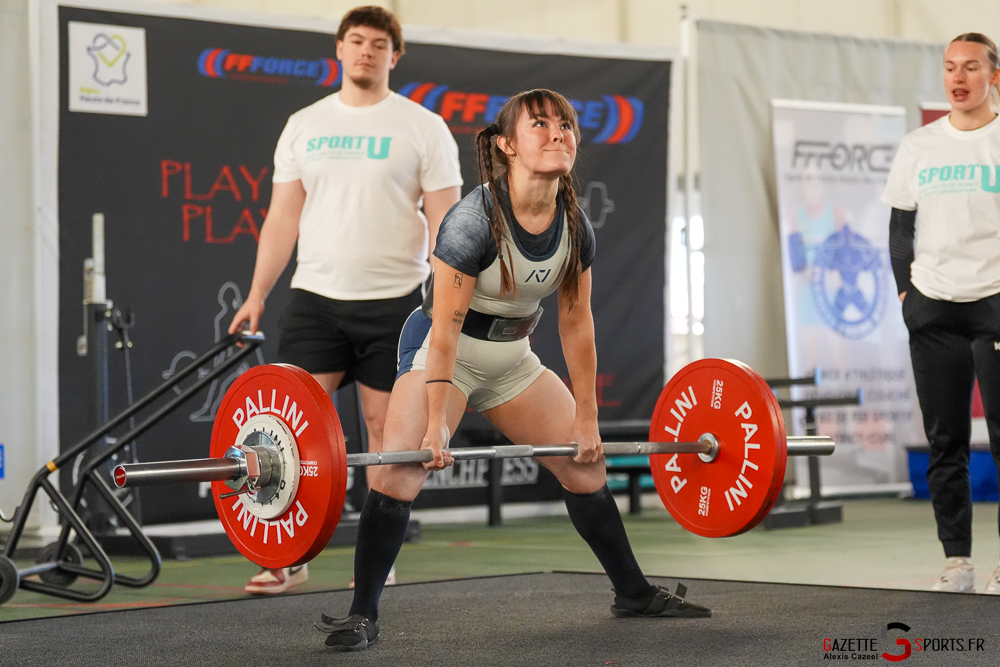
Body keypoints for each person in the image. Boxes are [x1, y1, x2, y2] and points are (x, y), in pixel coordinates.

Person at [315, 89, 711, 652]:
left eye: (566, 124)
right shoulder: (472, 221)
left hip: (512, 360)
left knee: (584, 468)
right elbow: (446, 329)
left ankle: (633, 592)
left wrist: (588, 419)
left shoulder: (575, 226)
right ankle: (363, 614)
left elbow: (576, 324)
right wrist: (435, 421)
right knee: (401, 470)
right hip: (444, 353)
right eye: (540, 125)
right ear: (506, 145)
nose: (558, 133)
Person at [228, 5, 462, 594]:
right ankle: (287, 556)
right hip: (316, 299)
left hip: (396, 303)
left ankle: (376, 561)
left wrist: (447, 298)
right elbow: (282, 217)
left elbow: (449, 223)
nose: (366, 51)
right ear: (339, 48)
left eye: (378, 44)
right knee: (291, 433)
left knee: (387, 432)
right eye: (356, 41)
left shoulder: (423, 126)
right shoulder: (303, 124)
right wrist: (257, 293)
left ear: (394, 55)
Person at [882, 32, 1000, 594]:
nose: (958, 77)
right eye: (950, 66)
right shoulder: (919, 146)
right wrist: (908, 296)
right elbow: (900, 230)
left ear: (994, 76)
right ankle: (957, 562)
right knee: (944, 440)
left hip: (994, 301)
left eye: (971, 67)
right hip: (934, 307)